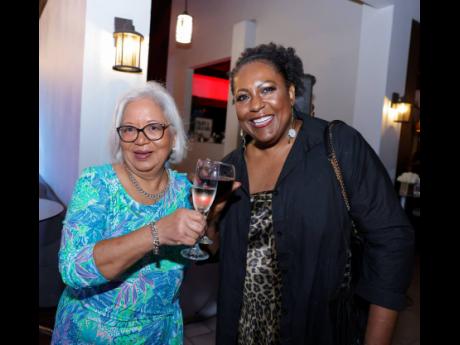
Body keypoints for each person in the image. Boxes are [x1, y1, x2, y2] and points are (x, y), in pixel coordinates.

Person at [206, 43, 415, 345]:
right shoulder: (230, 169)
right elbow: (216, 252)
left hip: (318, 331)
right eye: (242, 96)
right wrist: (209, 222)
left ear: (291, 92)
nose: (255, 104)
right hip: (240, 332)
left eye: (267, 89)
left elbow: (392, 241)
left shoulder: (337, 146)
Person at [51, 81, 206, 344]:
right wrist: (157, 232)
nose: (140, 139)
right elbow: (72, 270)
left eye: (154, 128)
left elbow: (197, 252)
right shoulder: (96, 184)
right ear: (119, 136)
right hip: (94, 333)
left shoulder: (185, 190)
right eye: (129, 129)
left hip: (162, 334)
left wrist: (214, 217)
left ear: (174, 136)